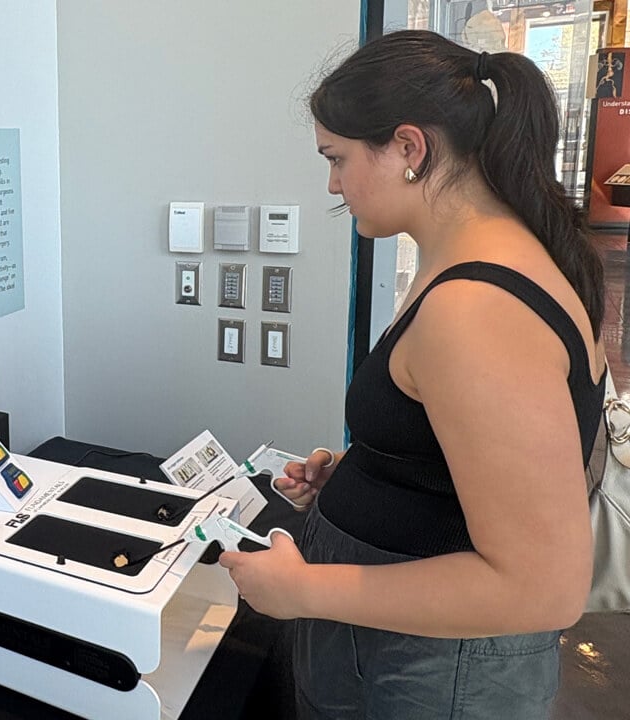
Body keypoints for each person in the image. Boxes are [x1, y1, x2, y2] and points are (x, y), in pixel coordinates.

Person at [217, 30, 606, 719]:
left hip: (435, 673)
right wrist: (379, 473)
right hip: (403, 653)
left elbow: (542, 588)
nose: (332, 184)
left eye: (337, 158)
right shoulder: (468, 259)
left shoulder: (475, 309)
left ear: (409, 148)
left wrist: (300, 591)